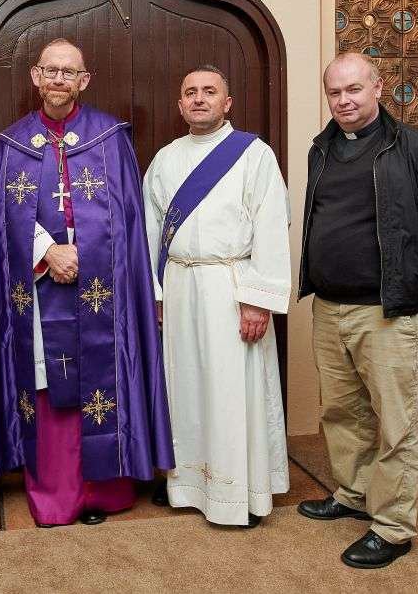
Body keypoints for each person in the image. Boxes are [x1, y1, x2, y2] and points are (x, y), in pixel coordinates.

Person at [0, 38, 174, 527]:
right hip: (40, 288)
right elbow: (4, 221)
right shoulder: (12, 144)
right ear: (35, 76)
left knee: (100, 377)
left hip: (101, 291)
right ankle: (58, 495)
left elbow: (128, 222)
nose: (59, 80)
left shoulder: (109, 138)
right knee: (50, 387)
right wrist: (47, 252)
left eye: (70, 72)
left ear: (84, 80)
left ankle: (102, 492)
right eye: (51, 70)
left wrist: (85, 256)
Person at [297, 52, 418, 568]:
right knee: (342, 412)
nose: (344, 101)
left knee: (395, 421)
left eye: (354, 89)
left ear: (378, 87)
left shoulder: (415, 147)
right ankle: (352, 494)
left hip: (385, 311)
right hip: (329, 307)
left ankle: (392, 527)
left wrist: (409, 274)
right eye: (334, 92)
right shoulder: (320, 149)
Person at [143, 65, 291, 528]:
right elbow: (148, 234)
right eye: (190, 92)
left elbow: (271, 229)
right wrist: (157, 294)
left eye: (210, 91)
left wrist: (258, 299)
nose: (200, 99)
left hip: (232, 286)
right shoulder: (165, 159)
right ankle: (186, 484)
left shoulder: (254, 155)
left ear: (227, 102)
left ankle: (238, 493)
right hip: (181, 286)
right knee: (183, 387)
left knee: (233, 391)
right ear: (180, 103)